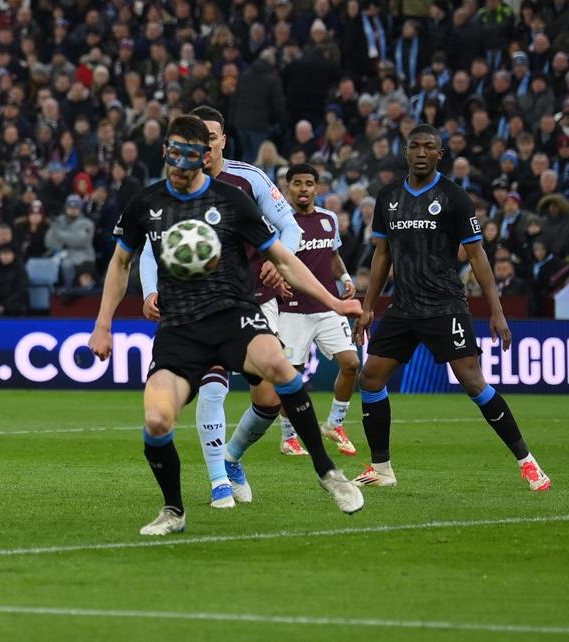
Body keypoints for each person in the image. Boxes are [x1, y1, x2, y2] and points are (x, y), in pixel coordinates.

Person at [91, 115, 364, 536]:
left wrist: (331, 300)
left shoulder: (233, 200)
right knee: (158, 421)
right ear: (165, 151)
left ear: (205, 156)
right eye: (173, 151)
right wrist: (103, 324)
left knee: (277, 365)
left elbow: (284, 257)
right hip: (180, 327)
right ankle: (174, 510)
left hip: (234, 314)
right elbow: (121, 261)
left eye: (189, 153)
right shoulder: (145, 204)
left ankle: (327, 472)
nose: (180, 161)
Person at [354, 124, 551, 492]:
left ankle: (528, 463)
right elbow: (382, 255)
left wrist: (496, 311)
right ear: (407, 151)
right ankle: (381, 467)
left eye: (430, 147)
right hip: (403, 306)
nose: (422, 153)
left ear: (440, 154)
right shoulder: (389, 196)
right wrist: (368, 307)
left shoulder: (454, 197)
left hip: (445, 306)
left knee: (474, 383)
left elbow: (477, 256)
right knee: (371, 377)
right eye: (416, 146)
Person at [138, 106, 303, 509]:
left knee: (269, 399)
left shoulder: (249, 180)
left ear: (223, 140)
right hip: (197, 303)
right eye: (198, 138)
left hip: (255, 301)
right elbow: (147, 246)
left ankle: (230, 458)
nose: (205, 145)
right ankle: (218, 483)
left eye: (211, 137)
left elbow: (291, 227)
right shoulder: (171, 187)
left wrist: (277, 264)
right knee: (212, 385)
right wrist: (148, 290)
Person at [274, 164, 361, 455]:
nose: (303, 188)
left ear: (317, 187)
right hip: (293, 311)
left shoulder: (328, 218)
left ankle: (334, 423)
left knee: (351, 363)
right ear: (287, 188)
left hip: (327, 306)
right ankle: (288, 437)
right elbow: (270, 260)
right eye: (296, 183)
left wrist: (346, 278)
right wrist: (277, 285)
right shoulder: (279, 222)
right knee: (292, 376)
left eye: (309, 183)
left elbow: (333, 254)